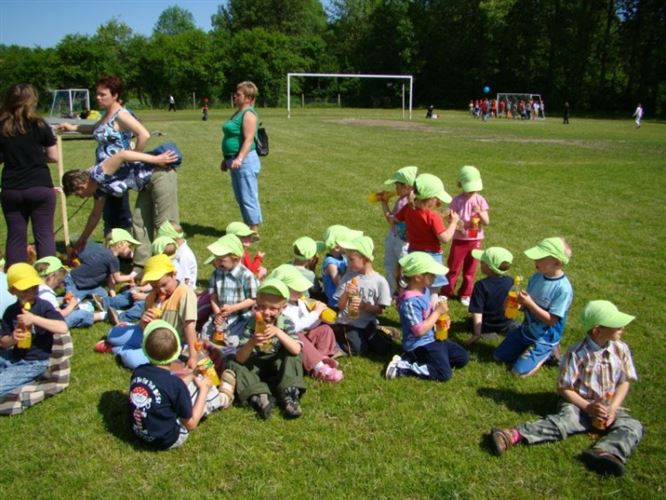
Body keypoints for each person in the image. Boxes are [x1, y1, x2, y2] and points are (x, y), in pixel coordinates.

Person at [490, 300, 643, 477]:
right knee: (564, 422)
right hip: (579, 405)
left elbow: (625, 381)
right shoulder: (576, 353)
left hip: (608, 406)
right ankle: (512, 435)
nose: (622, 327)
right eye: (616, 324)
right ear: (597, 330)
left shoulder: (621, 349)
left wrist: (613, 408)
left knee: (632, 425)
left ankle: (606, 452)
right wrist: (588, 407)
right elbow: (564, 388)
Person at [61, 144, 181, 272]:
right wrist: (81, 241)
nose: (81, 197)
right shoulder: (98, 188)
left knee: (164, 223)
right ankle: (141, 266)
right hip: (146, 183)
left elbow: (123, 155)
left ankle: (173, 264)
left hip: (159, 173)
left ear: (81, 187)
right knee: (139, 221)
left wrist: (157, 159)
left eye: (78, 194)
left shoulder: (98, 173)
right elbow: (95, 216)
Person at [59, 75, 150, 241]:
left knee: (119, 214)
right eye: (97, 94)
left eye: (102, 94)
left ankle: (125, 246)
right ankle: (115, 244)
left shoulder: (121, 115)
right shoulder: (107, 114)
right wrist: (72, 127)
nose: (98, 97)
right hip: (103, 174)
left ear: (115, 95)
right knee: (108, 214)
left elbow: (144, 134)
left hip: (117, 174)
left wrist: (134, 159)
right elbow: (93, 129)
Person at [128, 320, 228, 450]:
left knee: (186, 386)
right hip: (167, 439)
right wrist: (204, 389)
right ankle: (222, 398)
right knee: (207, 391)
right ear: (176, 353)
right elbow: (191, 424)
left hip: (138, 432)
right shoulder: (176, 384)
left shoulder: (138, 371)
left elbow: (169, 388)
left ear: (145, 351)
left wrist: (192, 374)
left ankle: (209, 389)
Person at [101, 254, 199, 371]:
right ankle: (126, 342)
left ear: (174, 275)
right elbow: (143, 327)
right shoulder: (152, 296)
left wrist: (193, 356)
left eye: (164, 285)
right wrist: (143, 321)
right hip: (148, 334)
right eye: (155, 287)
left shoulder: (184, 294)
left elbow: (189, 326)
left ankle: (117, 350)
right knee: (112, 335)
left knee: (132, 359)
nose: (161, 290)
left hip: (167, 343)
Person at [493, 237, 573, 377]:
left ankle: (549, 351)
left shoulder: (563, 289)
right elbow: (525, 306)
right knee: (498, 356)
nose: (535, 260)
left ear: (557, 263)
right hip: (526, 330)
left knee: (517, 372)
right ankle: (525, 348)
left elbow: (552, 320)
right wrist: (516, 304)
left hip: (544, 337)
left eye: (540, 258)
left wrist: (529, 303)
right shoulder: (537, 277)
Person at [227, 278, 306, 420]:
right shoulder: (251, 324)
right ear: (256, 305)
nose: (266, 312)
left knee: (293, 356)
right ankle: (260, 396)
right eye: (262, 307)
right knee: (233, 363)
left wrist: (278, 332)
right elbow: (240, 358)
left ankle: (289, 394)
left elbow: (296, 349)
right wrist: (252, 342)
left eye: (273, 308)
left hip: (278, 364)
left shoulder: (285, 322)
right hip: (257, 364)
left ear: (283, 308)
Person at [386, 252, 469, 381]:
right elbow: (419, 331)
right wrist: (437, 313)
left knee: (462, 358)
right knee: (444, 374)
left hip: (433, 338)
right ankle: (403, 366)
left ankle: (431, 361)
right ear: (418, 277)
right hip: (419, 345)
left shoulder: (424, 290)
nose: (435, 277)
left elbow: (428, 315)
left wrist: (440, 320)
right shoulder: (409, 302)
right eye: (431, 274)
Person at [0, 83, 59, 266]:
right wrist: (36, 156)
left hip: (12, 187)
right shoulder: (39, 124)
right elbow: (53, 156)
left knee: (16, 235)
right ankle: (48, 276)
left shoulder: (2, 126)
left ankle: (17, 276)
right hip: (39, 184)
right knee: (44, 233)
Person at [0, 263, 68, 396]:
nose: (31, 293)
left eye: (34, 288)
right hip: (14, 355)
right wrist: (13, 338)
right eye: (25, 290)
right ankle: (17, 376)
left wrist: (34, 319)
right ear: (13, 291)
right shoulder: (11, 311)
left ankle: (32, 376)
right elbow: (3, 342)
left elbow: (62, 327)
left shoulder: (43, 306)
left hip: (35, 361)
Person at [271, 264, 343, 383]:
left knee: (325, 329)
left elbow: (308, 324)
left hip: (304, 339)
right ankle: (319, 368)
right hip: (290, 343)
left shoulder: (298, 302)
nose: (302, 291)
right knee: (298, 336)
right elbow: (293, 328)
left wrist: (319, 317)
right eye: (297, 289)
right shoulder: (281, 307)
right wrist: (315, 313)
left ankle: (321, 358)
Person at [394, 173, 459, 297]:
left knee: (415, 286)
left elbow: (396, 219)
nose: (438, 201)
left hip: (414, 253)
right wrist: (454, 223)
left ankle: (413, 303)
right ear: (431, 199)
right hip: (431, 256)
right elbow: (445, 238)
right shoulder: (433, 216)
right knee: (433, 289)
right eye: (437, 198)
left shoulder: (408, 208)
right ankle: (431, 308)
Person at [333, 235, 392, 356]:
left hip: (368, 323)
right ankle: (336, 341)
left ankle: (382, 332)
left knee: (382, 349)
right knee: (358, 349)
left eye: (351, 260)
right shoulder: (348, 277)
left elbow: (380, 310)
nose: (348, 263)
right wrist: (346, 294)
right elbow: (340, 306)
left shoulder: (379, 281)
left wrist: (365, 306)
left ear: (365, 259)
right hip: (348, 323)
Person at [442, 166, 489, 306]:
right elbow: (451, 218)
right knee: (453, 267)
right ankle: (446, 291)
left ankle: (466, 293)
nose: (472, 190)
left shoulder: (480, 200)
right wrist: (456, 224)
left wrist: (480, 212)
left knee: (470, 269)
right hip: (459, 240)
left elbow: (486, 222)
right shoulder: (457, 200)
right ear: (461, 185)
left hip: (475, 240)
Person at [221, 81, 263, 232]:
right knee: (240, 197)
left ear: (248, 98)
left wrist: (239, 158)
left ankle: (253, 230)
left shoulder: (248, 114)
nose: (235, 96)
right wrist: (226, 159)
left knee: (248, 196)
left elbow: (248, 139)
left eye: (238, 94)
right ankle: (247, 228)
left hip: (245, 161)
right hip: (234, 160)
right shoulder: (238, 113)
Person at [204, 233, 258, 348]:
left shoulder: (246, 275)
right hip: (220, 316)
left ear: (236, 258)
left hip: (239, 318)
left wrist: (233, 308)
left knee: (233, 342)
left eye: (221, 260)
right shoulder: (216, 273)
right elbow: (213, 295)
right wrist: (218, 313)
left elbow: (253, 299)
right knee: (205, 336)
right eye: (216, 259)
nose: (217, 263)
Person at [63, 228, 139, 302]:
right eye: (128, 246)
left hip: (88, 285)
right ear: (121, 244)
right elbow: (117, 278)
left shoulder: (104, 252)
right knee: (71, 301)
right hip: (75, 281)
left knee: (104, 295)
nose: (130, 249)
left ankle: (84, 298)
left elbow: (110, 278)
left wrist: (113, 296)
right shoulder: (113, 259)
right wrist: (131, 276)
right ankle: (71, 300)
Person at [33, 256, 107, 328]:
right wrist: (71, 306)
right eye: (59, 279)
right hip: (50, 324)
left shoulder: (36, 288)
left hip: (39, 318)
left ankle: (81, 307)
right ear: (52, 277)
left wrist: (63, 301)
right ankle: (102, 315)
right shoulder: (47, 295)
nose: (59, 283)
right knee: (80, 314)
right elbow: (59, 315)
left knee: (60, 299)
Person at [464, 247, 517, 346]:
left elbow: (477, 311)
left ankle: (488, 333)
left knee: (469, 323)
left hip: (486, 325)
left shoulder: (481, 285)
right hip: (505, 322)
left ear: (488, 267)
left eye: (482, 262)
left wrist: (477, 334)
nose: (480, 263)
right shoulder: (510, 281)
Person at [380, 165, 416, 294]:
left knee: (399, 266)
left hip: (401, 240)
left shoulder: (406, 203)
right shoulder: (404, 200)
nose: (395, 189)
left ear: (407, 186)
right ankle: (395, 290)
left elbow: (391, 220)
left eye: (398, 186)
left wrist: (384, 203)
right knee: (395, 266)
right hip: (397, 237)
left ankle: (399, 291)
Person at [321, 225, 363, 309]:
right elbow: (339, 284)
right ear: (337, 247)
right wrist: (350, 266)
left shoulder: (343, 257)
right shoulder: (331, 264)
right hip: (335, 302)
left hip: (345, 297)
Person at [157, 220, 197, 290]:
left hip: (183, 290)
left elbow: (186, 280)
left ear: (171, 239)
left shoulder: (184, 254)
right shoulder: (178, 249)